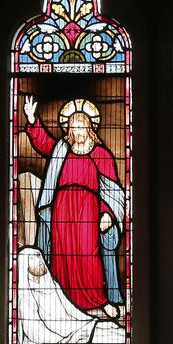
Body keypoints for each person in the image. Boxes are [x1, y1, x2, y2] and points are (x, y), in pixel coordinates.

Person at [23, 96, 124, 318]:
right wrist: (33, 120)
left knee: (88, 254)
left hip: (89, 209)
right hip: (62, 208)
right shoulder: (61, 148)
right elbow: (43, 142)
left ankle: (97, 300)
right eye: (72, 127)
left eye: (81, 127)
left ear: (89, 128)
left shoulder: (101, 155)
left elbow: (112, 191)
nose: (76, 132)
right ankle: (64, 304)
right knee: (62, 254)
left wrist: (107, 214)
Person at [17, 247, 125, 344]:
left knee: (113, 328)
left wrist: (92, 322)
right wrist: (66, 340)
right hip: (61, 337)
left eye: (38, 256)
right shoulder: (26, 296)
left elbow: (70, 309)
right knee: (116, 337)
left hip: (74, 328)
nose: (39, 261)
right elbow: (34, 331)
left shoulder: (52, 285)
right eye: (32, 258)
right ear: (24, 265)